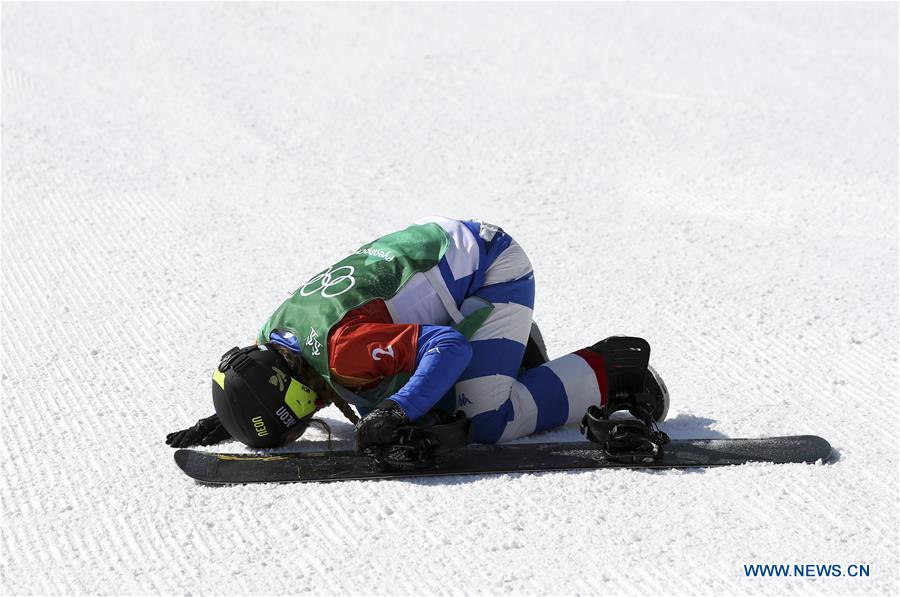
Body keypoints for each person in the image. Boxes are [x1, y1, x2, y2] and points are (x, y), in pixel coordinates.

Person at [166, 216, 668, 452]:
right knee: (384, 397)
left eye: (294, 422)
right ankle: (511, 354)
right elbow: (267, 373)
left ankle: (610, 372)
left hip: (495, 268)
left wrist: (396, 411)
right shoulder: (274, 332)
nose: (305, 422)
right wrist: (232, 414)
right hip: (454, 253)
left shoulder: (342, 353)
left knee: (486, 420)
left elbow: (445, 347)